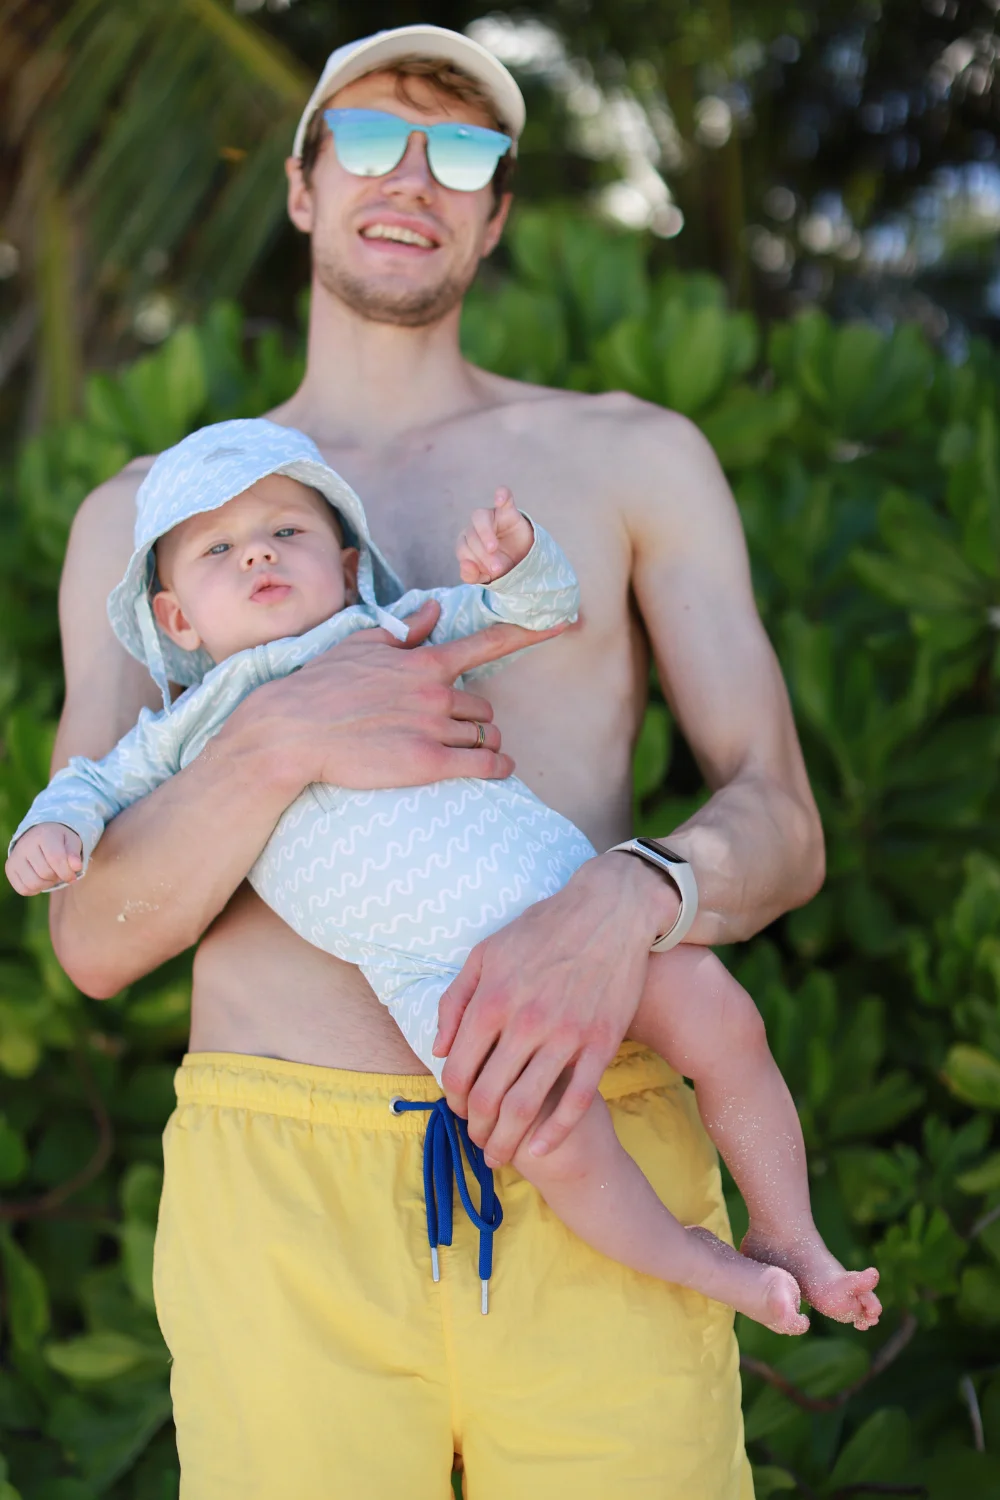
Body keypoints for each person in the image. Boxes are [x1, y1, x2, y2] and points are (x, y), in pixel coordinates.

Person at [46, 23, 829, 1500]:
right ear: (302, 184)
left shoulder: (632, 458)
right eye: (368, 135)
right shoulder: (145, 526)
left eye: (461, 150)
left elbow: (780, 815)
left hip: (591, 1117)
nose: (412, 174)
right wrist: (280, 733)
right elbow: (90, 935)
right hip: (282, 1196)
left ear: (498, 210)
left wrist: (626, 900)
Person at [8, 416, 881, 1339]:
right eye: (218, 549)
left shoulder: (393, 628)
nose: (257, 553)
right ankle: (703, 1264)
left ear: (348, 567)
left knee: (719, 1010)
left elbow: (533, 612)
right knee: (552, 1134)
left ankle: (789, 1232)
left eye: (286, 531)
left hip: (558, 905)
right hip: (437, 983)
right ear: (179, 620)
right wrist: (50, 830)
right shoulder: (189, 728)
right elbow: (92, 785)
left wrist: (517, 563)